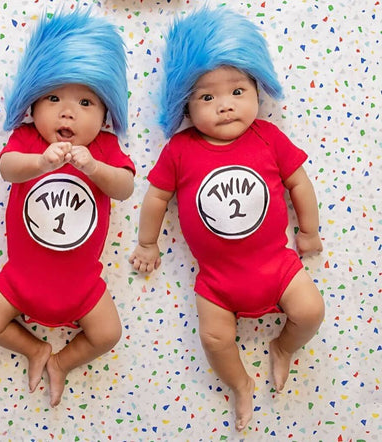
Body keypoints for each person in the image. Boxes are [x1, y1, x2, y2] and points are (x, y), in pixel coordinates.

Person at [129, 7, 324, 432]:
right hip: (216, 281)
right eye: (206, 97)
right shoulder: (180, 149)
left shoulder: (268, 137)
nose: (224, 106)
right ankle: (240, 384)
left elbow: (300, 184)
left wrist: (308, 231)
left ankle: (283, 346)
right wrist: (147, 243)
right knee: (214, 339)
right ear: (185, 104)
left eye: (237, 91)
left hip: (278, 265)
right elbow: (156, 197)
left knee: (310, 311)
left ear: (258, 89)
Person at [0, 10, 135, 408]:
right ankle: (34, 349)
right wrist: (41, 163)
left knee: (108, 334)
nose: (68, 112)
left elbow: (126, 188)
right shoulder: (27, 139)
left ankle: (61, 360)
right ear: (32, 103)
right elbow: (8, 170)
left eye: (85, 102)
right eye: (53, 97)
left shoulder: (104, 148)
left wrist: (95, 168)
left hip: (82, 286)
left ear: (106, 113)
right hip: (20, 279)